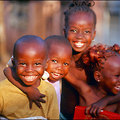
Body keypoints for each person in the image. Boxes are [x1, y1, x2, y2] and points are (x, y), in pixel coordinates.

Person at [60, 0, 120, 119]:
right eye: (73, 30)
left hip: (91, 115)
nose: (79, 36)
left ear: (93, 34)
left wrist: (105, 101)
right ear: (64, 32)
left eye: (86, 31)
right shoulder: (59, 56)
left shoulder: (97, 59)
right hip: (64, 115)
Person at [4, 35, 72, 112]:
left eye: (65, 64)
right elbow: (7, 70)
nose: (60, 68)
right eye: (54, 61)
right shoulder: (36, 76)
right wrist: (28, 90)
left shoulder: (57, 79)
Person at [76, 44, 120, 116]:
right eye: (117, 76)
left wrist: (105, 101)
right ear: (98, 76)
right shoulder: (85, 91)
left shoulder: (117, 101)